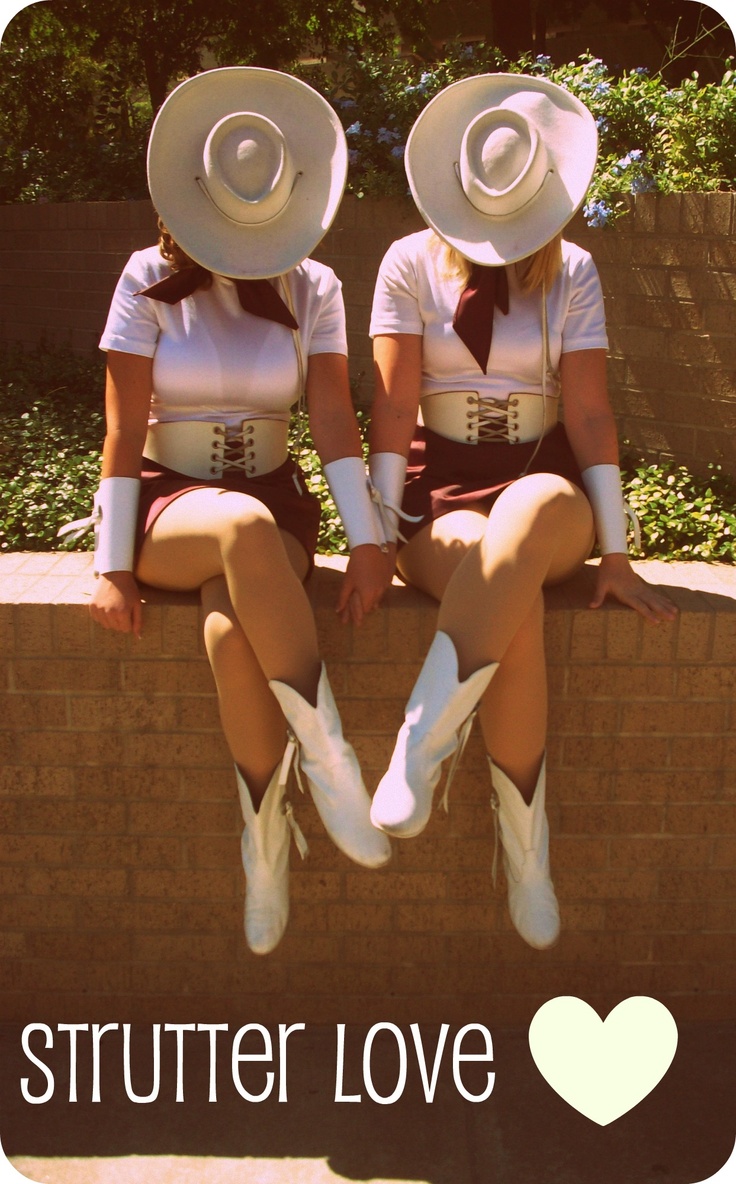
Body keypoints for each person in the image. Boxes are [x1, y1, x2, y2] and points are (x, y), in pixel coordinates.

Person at [66, 67, 392, 957]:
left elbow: (331, 415)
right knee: (237, 530)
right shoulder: (144, 277)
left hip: (275, 498)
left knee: (226, 629)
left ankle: (263, 842)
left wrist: (368, 541)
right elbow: (125, 423)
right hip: (171, 505)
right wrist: (110, 562)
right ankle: (333, 768)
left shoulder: (314, 285)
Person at [365, 73, 676, 950]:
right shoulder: (405, 263)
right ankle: (526, 845)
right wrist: (375, 532)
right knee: (509, 596)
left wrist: (615, 555)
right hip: (441, 488)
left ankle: (421, 744)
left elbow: (588, 413)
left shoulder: (574, 269)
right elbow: (391, 408)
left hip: (547, 485)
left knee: (530, 512)